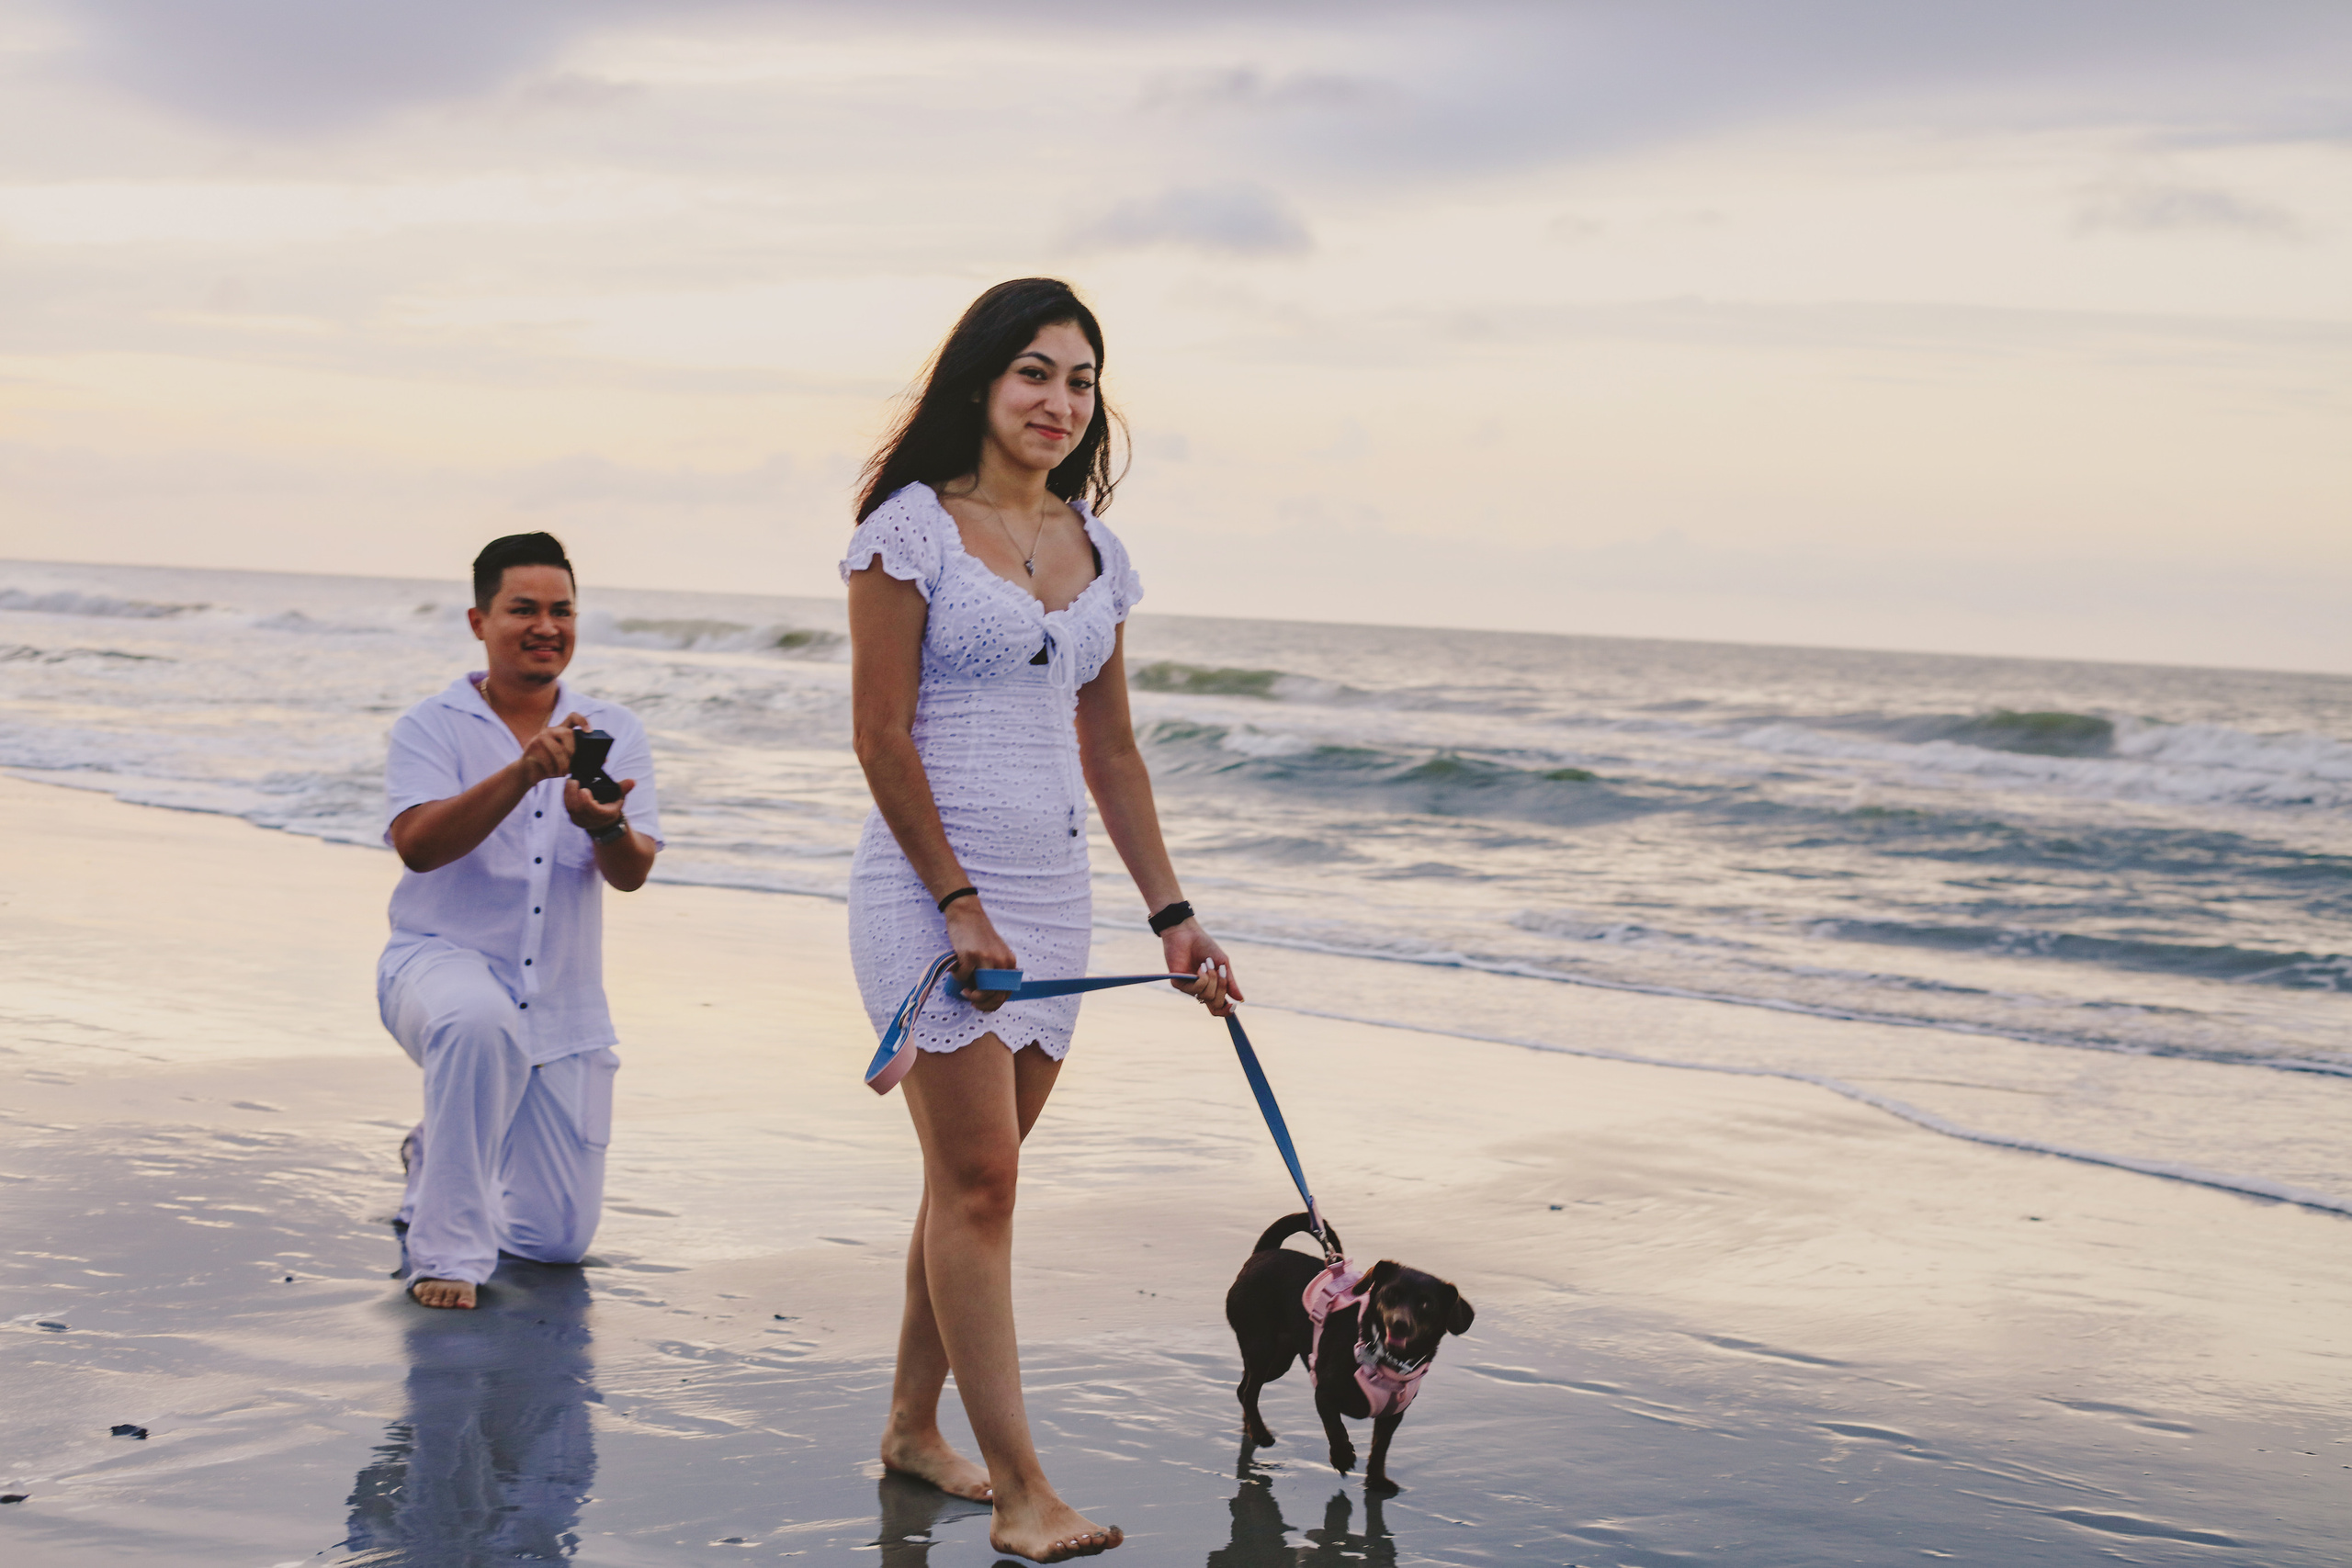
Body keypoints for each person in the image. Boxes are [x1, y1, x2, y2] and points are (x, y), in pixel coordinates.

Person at [842, 277, 1237, 1562]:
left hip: (1051, 903)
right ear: (979, 380)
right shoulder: (909, 531)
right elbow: (881, 734)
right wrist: (955, 899)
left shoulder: (1097, 552)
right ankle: (1021, 1488)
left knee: (973, 1183)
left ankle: (912, 1424)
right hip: (930, 892)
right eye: (1034, 373)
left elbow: (1112, 750)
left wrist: (1172, 913)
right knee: (981, 1182)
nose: (1059, 402)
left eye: (1080, 380)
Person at [379, 532, 662, 1311]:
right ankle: (445, 1255)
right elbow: (419, 847)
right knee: (479, 1021)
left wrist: (603, 824)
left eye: (562, 610)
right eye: (523, 609)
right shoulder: (430, 726)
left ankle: (437, 1150)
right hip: (435, 967)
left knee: (553, 1241)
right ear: (479, 620)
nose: (547, 626)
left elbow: (632, 872)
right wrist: (522, 773)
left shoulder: (613, 727)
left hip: (564, 1004)